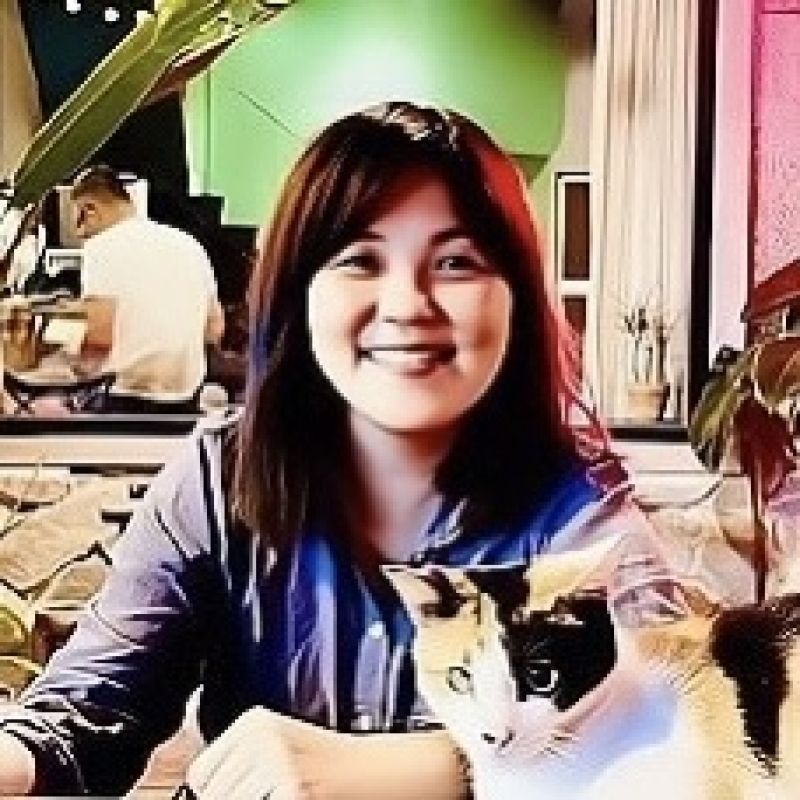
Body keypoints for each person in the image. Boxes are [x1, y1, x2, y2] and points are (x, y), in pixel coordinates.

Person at [0, 102, 682, 797]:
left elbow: (672, 733)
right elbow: (91, 708)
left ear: (516, 299)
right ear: (298, 294)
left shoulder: (578, 516)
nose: (407, 304)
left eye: (455, 262)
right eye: (359, 260)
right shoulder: (220, 478)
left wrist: (432, 768)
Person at [69, 165, 225, 412]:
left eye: (77, 222)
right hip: (186, 404)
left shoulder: (101, 247)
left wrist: (65, 361)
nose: (79, 234)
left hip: (125, 405)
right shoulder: (189, 244)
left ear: (89, 209)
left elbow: (98, 338)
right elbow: (214, 330)